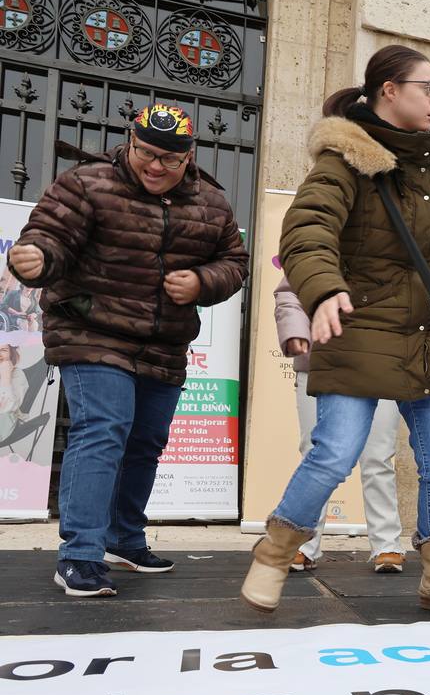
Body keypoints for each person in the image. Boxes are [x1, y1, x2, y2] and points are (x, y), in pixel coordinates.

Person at [240, 45, 430, 617]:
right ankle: (273, 556)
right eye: (428, 88)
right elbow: (307, 231)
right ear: (389, 90)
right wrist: (323, 289)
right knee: (333, 452)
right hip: (361, 327)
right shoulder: (343, 162)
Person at [8, 103, 249, 597]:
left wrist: (204, 281)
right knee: (104, 428)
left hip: (162, 343)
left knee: (145, 441)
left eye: (169, 159)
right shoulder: (86, 184)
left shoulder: (212, 203)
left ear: (190, 157)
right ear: (130, 142)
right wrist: (38, 259)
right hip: (91, 330)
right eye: (146, 153)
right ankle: (80, 553)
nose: (155, 166)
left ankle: (123, 538)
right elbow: (51, 237)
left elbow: (234, 262)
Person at [274, 275, 406, 574]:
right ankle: (303, 543)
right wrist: (297, 332)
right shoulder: (320, 241)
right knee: (314, 453)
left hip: (380, 362)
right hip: (321, 361)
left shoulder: (389, 249)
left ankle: (387, 545)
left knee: (378, 455)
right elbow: (290, 293)